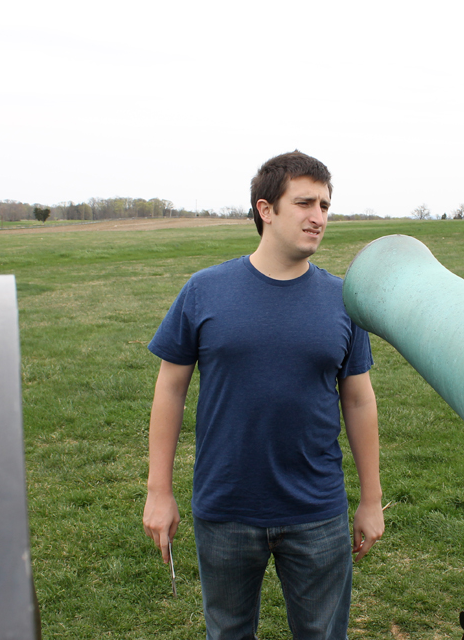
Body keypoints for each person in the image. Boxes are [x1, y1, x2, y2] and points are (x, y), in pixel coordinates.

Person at [143, 150, 384, 640]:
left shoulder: (343, 299)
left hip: (317, 511)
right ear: (265, 209)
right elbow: (170, 388)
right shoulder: (204, 291)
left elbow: (358, 399)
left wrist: (372, 499)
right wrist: (158, 491)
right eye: (304, 203)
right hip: (226, 508)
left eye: (324, 205)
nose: (318, 217)